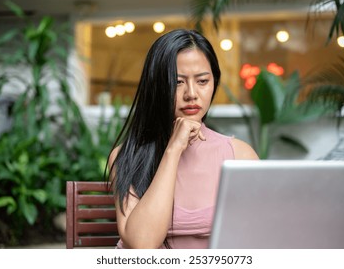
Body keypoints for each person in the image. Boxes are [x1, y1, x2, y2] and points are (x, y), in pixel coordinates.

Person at [107, 29, 259, 249]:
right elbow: (142, 245)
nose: (191, 94)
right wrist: (174, 149)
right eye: (177, 82)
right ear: (156, 86)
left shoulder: (240, 155)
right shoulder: (127, 156)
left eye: (202, 81)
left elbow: (260, 239)